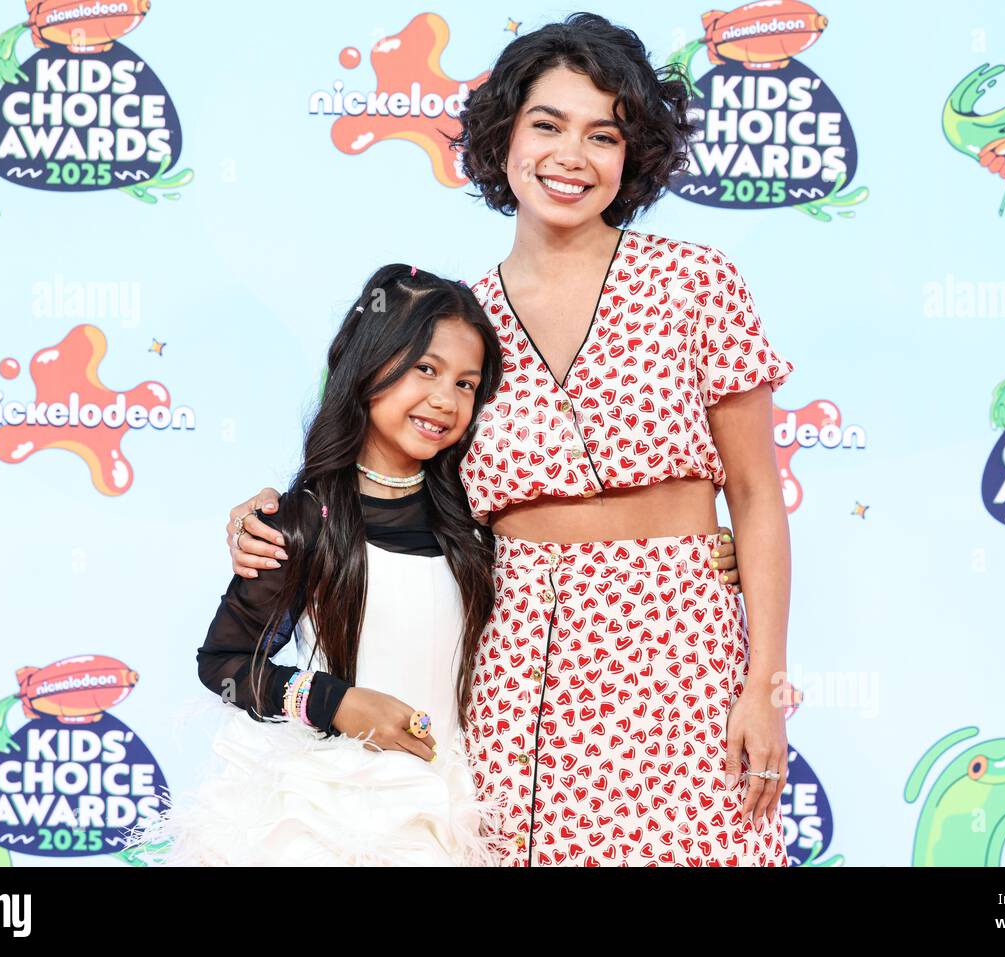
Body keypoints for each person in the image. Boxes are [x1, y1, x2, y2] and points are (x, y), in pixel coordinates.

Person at [230, 13, 791, 866]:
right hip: (518, 658)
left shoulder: (697, 282)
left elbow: (754, 493)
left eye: (604, 135)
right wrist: (274, 514)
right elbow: (385, 468)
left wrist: (765, 687)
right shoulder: (458, 321)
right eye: (547, 124)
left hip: (684, 644)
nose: (572, 156)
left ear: (631, 156)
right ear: (504, 137)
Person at [123, 264, 508, 865]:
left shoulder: (478, 517)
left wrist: (708, 551)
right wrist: (337, 702)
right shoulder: (301, 520)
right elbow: (223, 662)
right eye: (425, 369)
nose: (444, 399)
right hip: (333, 809)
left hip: (452, 802)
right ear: (367, 364)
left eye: (466, 383)